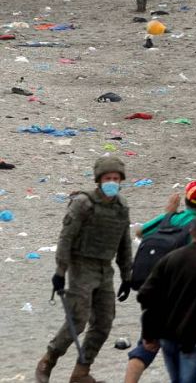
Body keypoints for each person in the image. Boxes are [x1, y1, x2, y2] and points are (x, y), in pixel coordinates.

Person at [35, 156, 133, 383]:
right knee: (77, 319)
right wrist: (60, 271)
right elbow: (66, 237)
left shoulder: (121, 207)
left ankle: (81, 371)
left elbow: (124, 243)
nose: (112, 182)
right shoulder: (84, 203)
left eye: (116, 179)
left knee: (104, 322)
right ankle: (49, 359)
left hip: (104, 269)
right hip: (81, 266)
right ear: (99, 180)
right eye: (108, 178)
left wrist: (127, 276)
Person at [134, 213, 196, 383]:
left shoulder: (170, 258)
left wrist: (149, 333)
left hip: (167, 336)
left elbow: (145, 295)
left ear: (191, 232)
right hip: (195, 337)